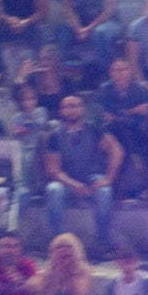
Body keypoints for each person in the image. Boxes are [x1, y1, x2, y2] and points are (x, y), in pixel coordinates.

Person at [43, 94, 123, 255]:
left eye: (76, 106)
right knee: (53, 190)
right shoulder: (54, 135)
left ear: (83, 109)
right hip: (66, 181)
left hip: (92, 177)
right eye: (67, 106)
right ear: (61, 111)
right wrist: (74, 185)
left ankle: (102, 243)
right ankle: (58, 244)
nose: (72, 110)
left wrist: (108, 178)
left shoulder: (94, 129)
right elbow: (53, 170)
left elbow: (117, 150)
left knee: (105, 192)